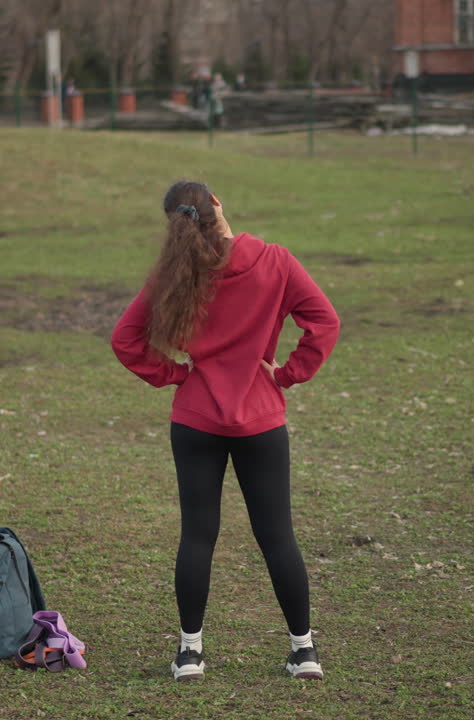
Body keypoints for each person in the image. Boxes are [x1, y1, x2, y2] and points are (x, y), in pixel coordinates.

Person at [111, 181, 340, 682]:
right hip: (261, 418)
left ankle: (189, 654)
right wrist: (285, 375)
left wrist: (176, 375)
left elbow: (125, 340)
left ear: (175, 224)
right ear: (217, 204)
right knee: (278, 536)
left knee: (197, 535)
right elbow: (325, 321)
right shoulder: (276, 260)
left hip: (195, 419)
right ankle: (304, 652)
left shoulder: (175, 274)